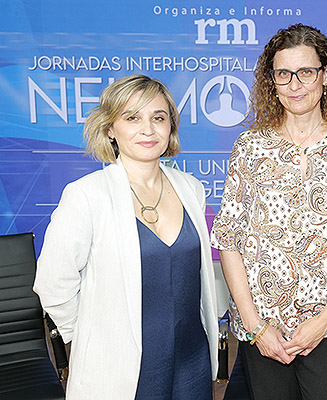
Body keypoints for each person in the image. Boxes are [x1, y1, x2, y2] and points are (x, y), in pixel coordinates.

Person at [211, 23, 327, 400]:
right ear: (271, 81)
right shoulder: (250, 146)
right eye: (283, 74)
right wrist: (256, 328)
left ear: (326, 75)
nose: (295, 84)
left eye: (306, 72)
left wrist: (323, 321)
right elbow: (229, 241)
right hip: (265, 331)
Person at [33, 74, 218, 399]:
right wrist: (90, 344)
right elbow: (52, 283)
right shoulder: (87, 195)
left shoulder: (191, 189)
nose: (148, 129)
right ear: (110, 128)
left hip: (192, 362)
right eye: (132, 118)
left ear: (170, 127)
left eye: (158, 118)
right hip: (121, 369)